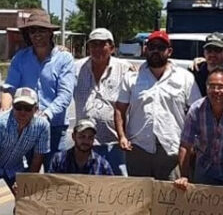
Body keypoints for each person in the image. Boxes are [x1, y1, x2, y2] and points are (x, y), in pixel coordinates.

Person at [114, 30, 200, 181]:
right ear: (145, 49)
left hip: (172, 148)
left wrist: (193, 143)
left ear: (169, 51)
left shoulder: (185, 77)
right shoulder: (131, 78)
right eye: (152, 46)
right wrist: (122, 136)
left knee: (169, 200)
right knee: (139, 199)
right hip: (138, 148)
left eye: (161, 47)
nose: (156, 51)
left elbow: (196, 112)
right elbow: (120, 109)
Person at [1, 11, 75, 166]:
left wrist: (46, 114)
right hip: (24, 125)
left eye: (41, 30)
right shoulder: (20, 58)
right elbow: (9, 88)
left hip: (55, 127)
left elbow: (65, 95)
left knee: (54, 178)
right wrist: (3, 111)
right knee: (23, 176)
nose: (37, 35)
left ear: (50, 33)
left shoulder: (64, 59)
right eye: (32, 31)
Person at [72, 28, 132, 175]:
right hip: (86, 143)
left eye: (102, 44)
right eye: (93, 45)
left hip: (114, 144)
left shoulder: (125, 68)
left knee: (117, 189)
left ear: (111, 48)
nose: (97, 49)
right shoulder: (76, 68)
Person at [0, 87, 50, 192]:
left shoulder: (43, 126)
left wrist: (27, 182)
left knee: (25, 200)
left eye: (27, 108)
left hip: (14, 164)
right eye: (18, 107)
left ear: (35, 109)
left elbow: (37, 159)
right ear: (13, 106)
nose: (22, 112)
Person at [47, 118, 114, 175]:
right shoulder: (59, 160)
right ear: (73, 136)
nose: (86, 141)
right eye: (82, 136)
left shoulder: (102, 164)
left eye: (90, 137)